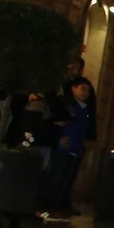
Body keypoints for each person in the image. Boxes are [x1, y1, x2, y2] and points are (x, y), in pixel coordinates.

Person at [39, 77, 95, 219]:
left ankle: (58, 205)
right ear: (73, 89)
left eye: (88, 90)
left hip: (75, 148)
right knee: (56, 176)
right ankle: (48, 206)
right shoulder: (66, 106)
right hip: (63, 147)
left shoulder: (85, 108)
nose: (85, 93)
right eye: (83, 88)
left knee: (67, 178)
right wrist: (59, 138)